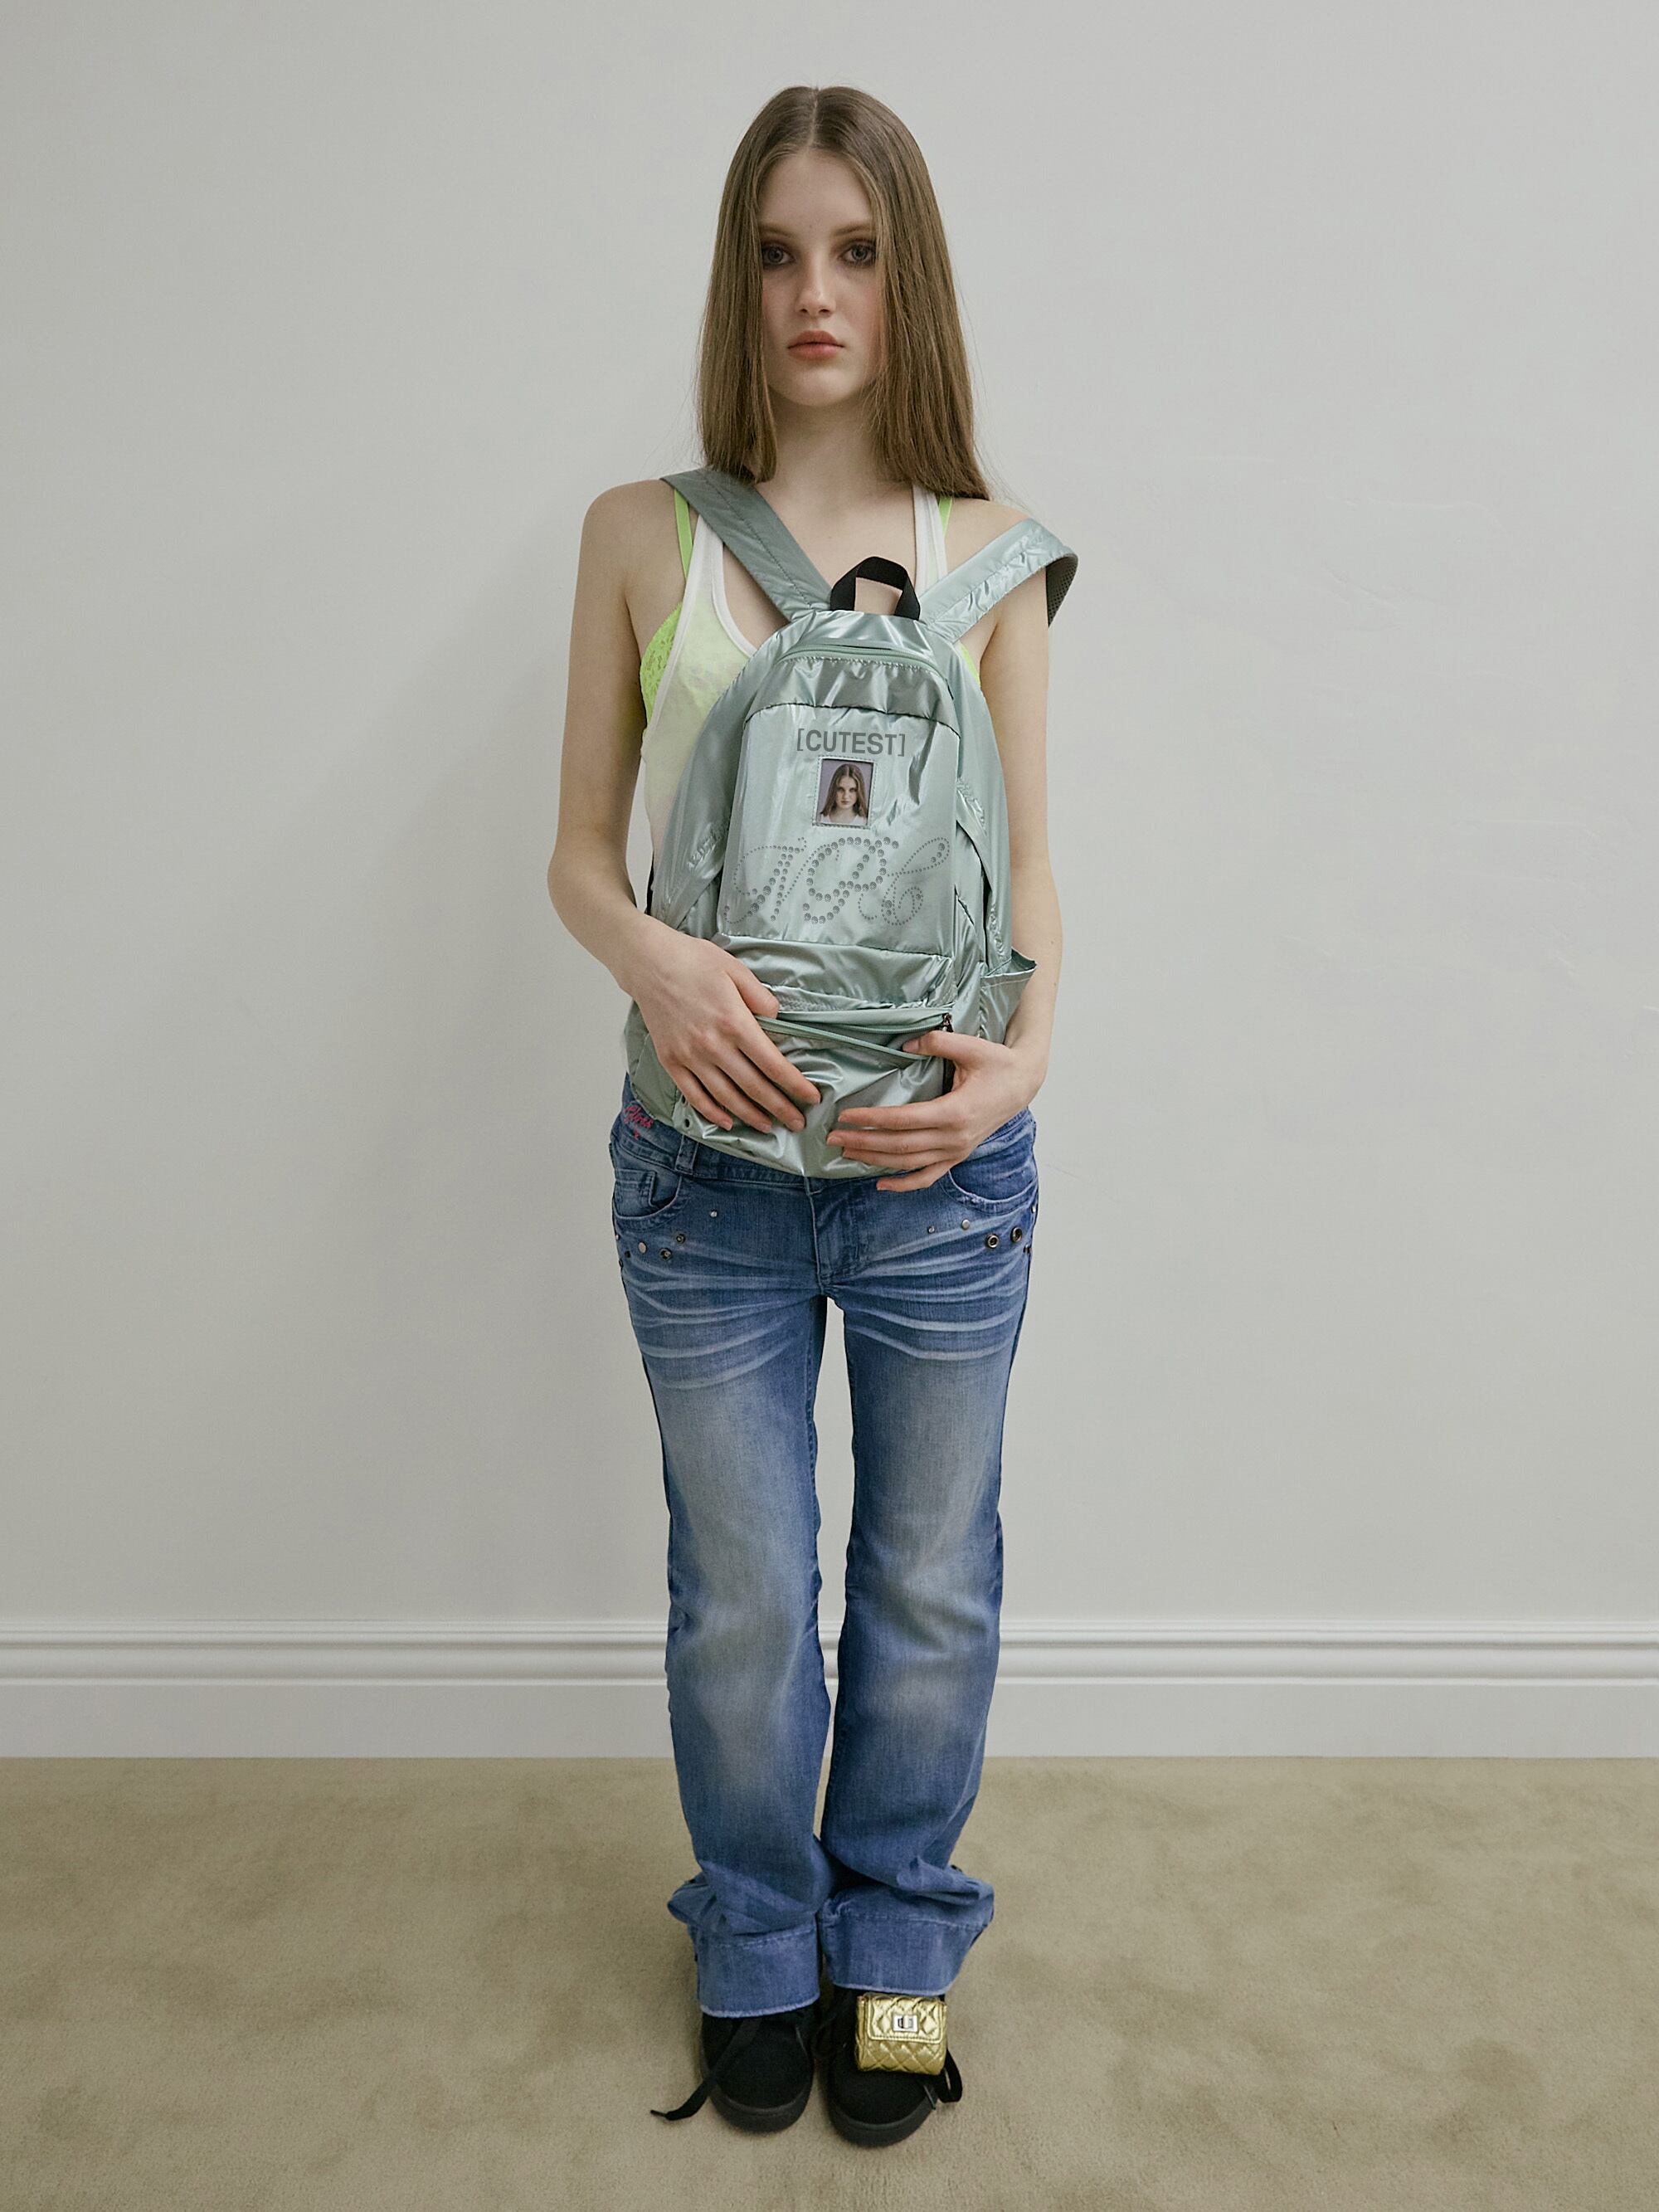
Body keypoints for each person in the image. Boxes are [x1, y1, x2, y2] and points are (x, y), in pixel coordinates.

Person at [547, 84, 1069, 2148]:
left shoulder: (991, 553)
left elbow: (1034, 880)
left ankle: (898, 1941)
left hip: (938, 1169)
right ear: (736, 281)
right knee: (747, 1594)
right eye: (775, 254)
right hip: (703, 1172)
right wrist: (658, 966)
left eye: (853, 251)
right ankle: (761, 1938)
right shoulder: (639, 534)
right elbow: (578, 857)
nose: (812, 294)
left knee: (930, 1582)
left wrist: (1026, 1059)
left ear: (905, 276)